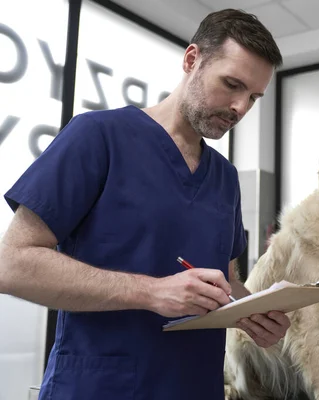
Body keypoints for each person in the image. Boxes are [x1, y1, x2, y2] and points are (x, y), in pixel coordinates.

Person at [0, 9, 290, 400]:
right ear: (191, 60)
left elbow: (226, 280)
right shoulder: (97, 137)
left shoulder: (225, 177)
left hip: (196, 386)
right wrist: (150, 292)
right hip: (102, 386)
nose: (240, 108)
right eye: (231, 84)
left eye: (253, 97)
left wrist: (250, 312)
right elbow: (12, 265)